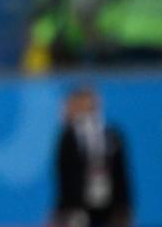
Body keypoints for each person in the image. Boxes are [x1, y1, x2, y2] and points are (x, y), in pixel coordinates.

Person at [54, 87, 132, 227]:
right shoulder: (68, 137)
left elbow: (122, 173)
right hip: (79, 205)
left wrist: (124, 206)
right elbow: (63, 176)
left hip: (108, 203)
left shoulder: (111, 135)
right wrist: (66, 208)